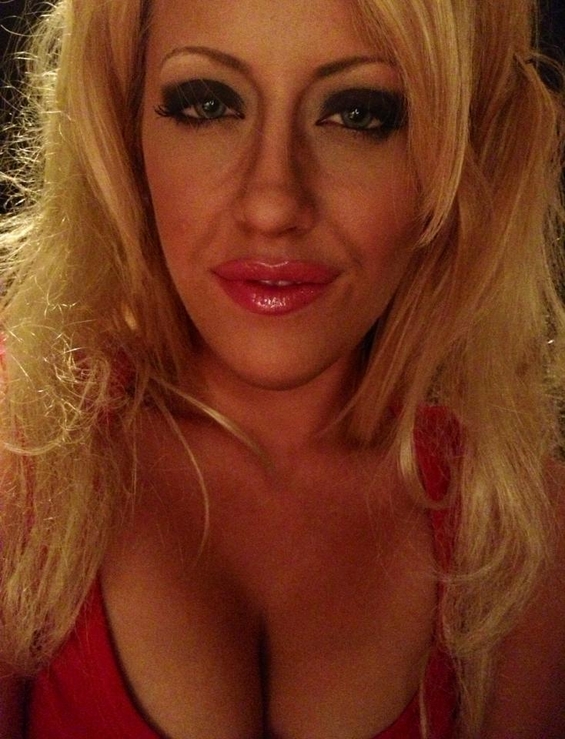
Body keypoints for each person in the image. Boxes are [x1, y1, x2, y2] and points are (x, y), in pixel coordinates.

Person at [0, 0, 564, 736]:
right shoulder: (18, 447)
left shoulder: (524, 531)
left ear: (459, 153)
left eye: (358, 114)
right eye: (208, 104)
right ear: (124, 125)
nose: (272, 204)